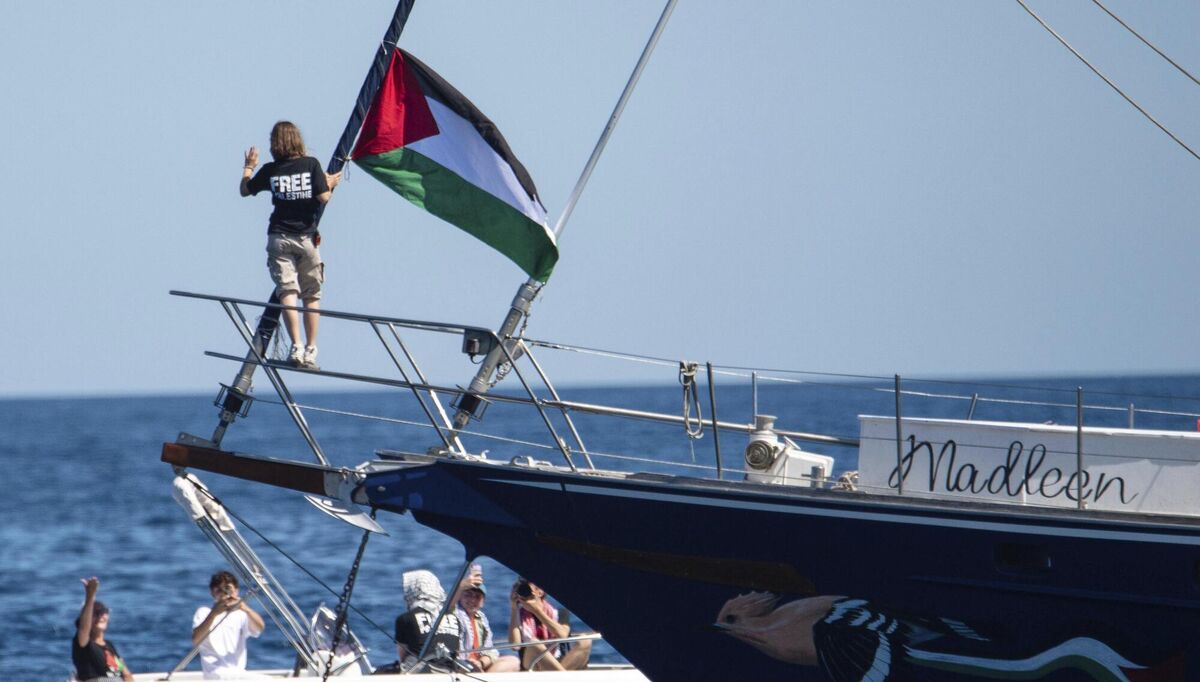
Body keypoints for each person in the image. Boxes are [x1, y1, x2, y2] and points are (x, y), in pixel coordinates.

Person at [241, 120, 341, 370]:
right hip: (306, 238)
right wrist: (329, 183)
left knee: (287, 292)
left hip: (278, 238)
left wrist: (248, 167)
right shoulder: (311, 165)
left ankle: (295, 346)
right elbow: (323, 197)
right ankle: (311, 349)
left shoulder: (270, 170)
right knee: (311, 294)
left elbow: (245, 190)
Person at [191, 571, 265, 679]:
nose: (224, 593)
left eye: (228, 588)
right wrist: (214, 613)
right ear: (212, 593)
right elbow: (196, 640)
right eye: (219, 590)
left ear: (236, 590)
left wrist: (245, 608)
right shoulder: (204, 612)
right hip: (215, 675)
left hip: (238, 674)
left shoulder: (241, 615)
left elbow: (260, 627)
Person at [508, 578, 591, 671]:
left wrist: (537, 611)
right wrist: (514, 609)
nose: (524, 591)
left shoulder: (559, 613)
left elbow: (563, 635)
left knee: (585, 641)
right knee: (534, 643)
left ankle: (561, 677)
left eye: (528, 587)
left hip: (559, 662)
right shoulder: (518, 616)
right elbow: (515, 646)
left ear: (540, 592)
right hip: (531, 665)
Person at [452, 566, 520, 673]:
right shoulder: (455, 613)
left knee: (513, 661)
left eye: (477, 597)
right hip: (460, 666)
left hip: (478, 665)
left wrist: (481, 663)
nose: (472, 599)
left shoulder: (481, 619)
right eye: (468, 595)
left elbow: (490, 650)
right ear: (460, 597)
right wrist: (462, 586)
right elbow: (448, 607)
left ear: (483, 602)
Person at [394, 570, 462, 672]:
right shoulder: (455, 619)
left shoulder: (405, 619)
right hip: (449, 673)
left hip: (422, 674)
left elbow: (402, 656)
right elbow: (457, 652)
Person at [72, 576, 134, 682]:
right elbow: (84, 628)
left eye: (103, 612)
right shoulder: (83, 644)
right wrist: (90, 595)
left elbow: (126, 675)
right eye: (96, 613)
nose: (101, 616)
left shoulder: (109, 645)